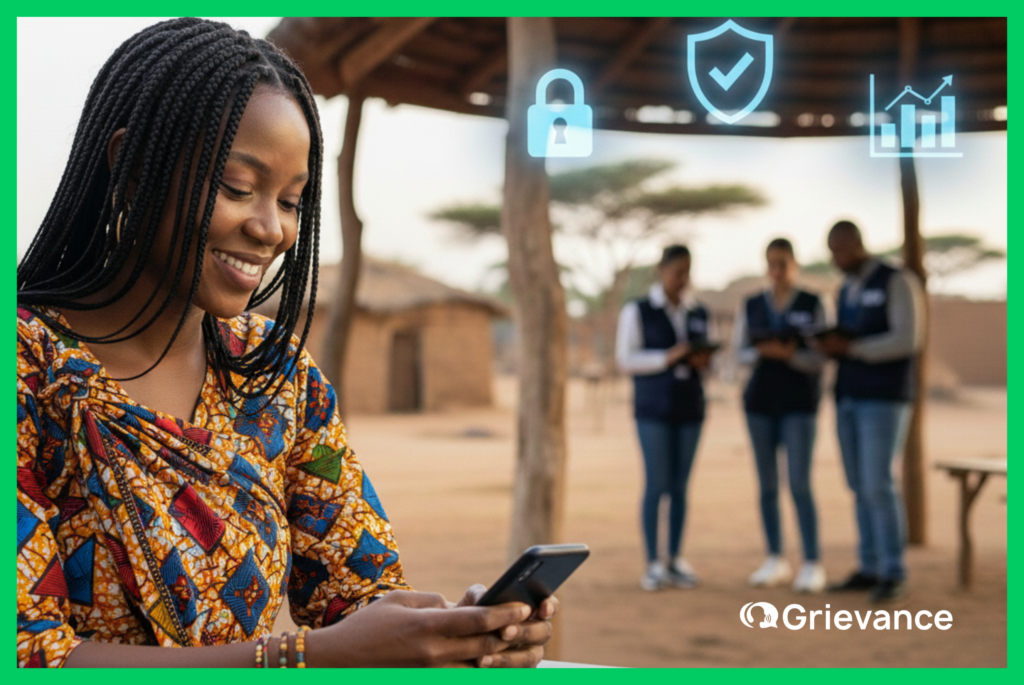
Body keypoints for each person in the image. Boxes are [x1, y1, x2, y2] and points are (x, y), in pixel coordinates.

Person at [16, 18, 556, 668]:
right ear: (131, 168)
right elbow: (26, 655)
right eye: (238, 188)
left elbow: (357, 594)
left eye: (293, 200)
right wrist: (298, 657)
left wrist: (450, 629)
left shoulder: (275, 376)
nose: (272, 229)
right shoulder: (29, 369)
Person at [816, 220, 925, 603]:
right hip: (847, 395)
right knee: (858, 485)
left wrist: (855, 350)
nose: (836, 258)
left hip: (884, 397)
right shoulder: (846, 289)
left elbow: (908, 338)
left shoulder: (897, 281)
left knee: (878, 482)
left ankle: (893, 570)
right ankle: (869, 566)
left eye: (840, 250)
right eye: (831, 252)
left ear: (857, 244)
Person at [616, 245, 715, 591]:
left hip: (691, 408)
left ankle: (675, 558)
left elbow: (710, 358)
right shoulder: (639, 310)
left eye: (688, 272)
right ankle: (653, 563)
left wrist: (704, 361)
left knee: (680, 487)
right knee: (656, 484)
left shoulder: (698, 310)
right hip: (653, 408)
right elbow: (626, 360)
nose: (683, 279)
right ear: (662, 270)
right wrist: (668, 358)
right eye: (677, 272)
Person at [733, 238, 827, 592]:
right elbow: (738, 352)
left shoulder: (813, 302)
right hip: (759, 403)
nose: (777, 271)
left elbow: (822, 354)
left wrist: (790, 356)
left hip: (800, 404)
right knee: (767, 485)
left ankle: (812, 562)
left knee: (800, 484)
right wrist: (763, 353)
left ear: (795, 264)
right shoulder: (753, 303)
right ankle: (775, 558)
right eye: (771, 263)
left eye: (783, 263)